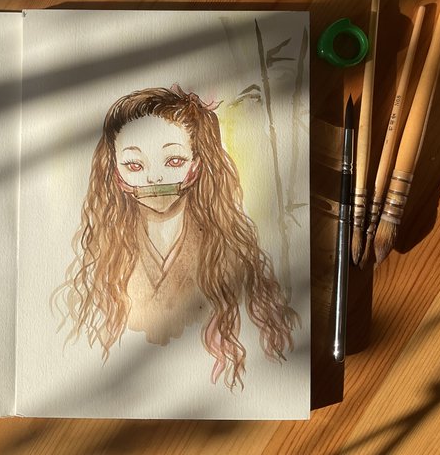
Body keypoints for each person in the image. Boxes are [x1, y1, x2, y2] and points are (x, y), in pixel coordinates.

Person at [53, 85, 298, 389]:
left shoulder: (231, 254)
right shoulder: (102, 260)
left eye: (173, 161)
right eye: (134, 165)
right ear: (116, 173)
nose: (154, 177)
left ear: (196, 165)